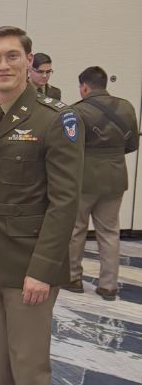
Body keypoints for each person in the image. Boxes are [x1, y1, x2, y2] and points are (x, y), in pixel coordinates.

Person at [0, 26, 84, 385]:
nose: (3, 65)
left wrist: (43, 269)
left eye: (12, 56)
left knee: (28, 364)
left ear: (28, 61)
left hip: (29, 262)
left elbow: (65, 201)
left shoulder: (56, 118)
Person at [67, 66, 139, 300]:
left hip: (84, 179)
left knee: (76, 230)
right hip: (115, 178)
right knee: (109, 232)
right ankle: (108, 286)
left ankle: (73, 278)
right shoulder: (126, 107)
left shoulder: (77, 111)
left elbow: (69, 148)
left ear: (84, 87)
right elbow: (132, 145)